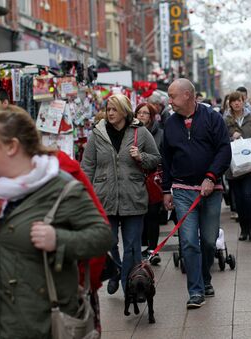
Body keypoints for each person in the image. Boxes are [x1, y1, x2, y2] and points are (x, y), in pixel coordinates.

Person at [0, 108, 112, 338]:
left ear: (12, 147)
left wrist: (59, 240)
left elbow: (102, 235)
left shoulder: (60, 186)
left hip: (39, 325)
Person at [162, 78, 231, 309]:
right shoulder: (170, 124)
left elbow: (224, 149)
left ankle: (205, 278)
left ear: (188, 96)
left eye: (172, 96)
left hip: (211, 190)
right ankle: (196, 291)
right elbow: (167, 157)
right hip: (182, 190)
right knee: (189, 242)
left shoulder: (213, 118)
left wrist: (211, 176)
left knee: (210, 242)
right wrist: (166, 189)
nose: (169, 101)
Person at [82, 94, 161, 295]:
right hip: (104, 196)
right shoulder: (97, 134)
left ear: (125, 111)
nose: (110, 113)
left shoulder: (140, 132)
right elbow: (88, 166)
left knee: (133, 246)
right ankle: (117, 269)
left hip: (133, 196)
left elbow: (155, 159)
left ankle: (130, 287)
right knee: (108, 243)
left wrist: (141, 156)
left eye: (114, 109)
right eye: (108, 109)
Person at [224, 91, 251, 241]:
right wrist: (232, 137)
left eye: (239, 100)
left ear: (243, 101)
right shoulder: (225, 120)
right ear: (230, 103)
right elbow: (221, 140)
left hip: (250, 165)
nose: (237, 103)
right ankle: (243, 229)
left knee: (247, 196)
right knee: (238, 199)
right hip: (233, 165)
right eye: (234, 101)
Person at [135, 103, 163, 265]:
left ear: (152, 116)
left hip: (154, 179)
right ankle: (141, 247)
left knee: (153, 215)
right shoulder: (132, 132)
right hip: (136, 179)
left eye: (145, 113)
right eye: (139, 113)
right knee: (139, 215)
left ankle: (153, 248)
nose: (142, 116)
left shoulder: (160, 134)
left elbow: (162, 156)